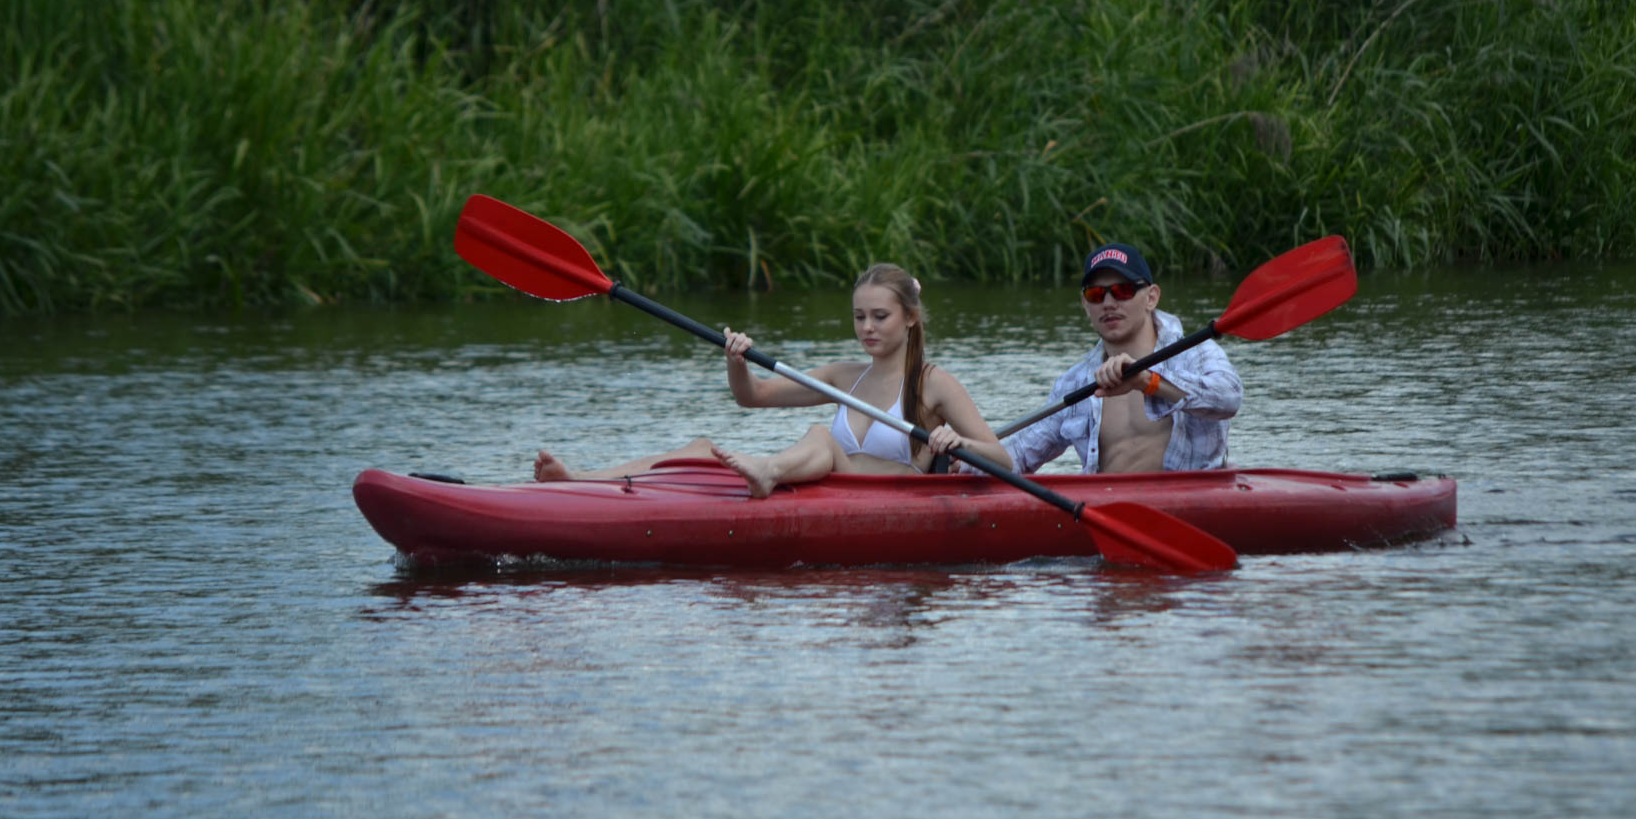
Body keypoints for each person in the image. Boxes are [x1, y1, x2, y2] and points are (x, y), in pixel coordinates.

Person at [532, 263, 1012, 497]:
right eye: (859, 316)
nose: (867, 327)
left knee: (823, 437)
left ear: (909, 318)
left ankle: (768, 472)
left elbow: (1003, 460)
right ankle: (580, 481)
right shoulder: (843, 376)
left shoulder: (934, 383)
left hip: (888, 495)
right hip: (832, 491)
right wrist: (736, 360)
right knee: (702, 445)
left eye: (880, 316)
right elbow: (752, 398)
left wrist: (957, 442)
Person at [1001, 242, 1242, 474]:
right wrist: (966, 457)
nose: (1108, 304)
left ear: (1151, 297)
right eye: (1096, 294)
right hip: (1106, 507)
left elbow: (1229, 399)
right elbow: (1020, 454)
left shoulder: (1196, 352)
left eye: (1122, 291)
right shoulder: (1074, 382)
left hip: (1188, 503)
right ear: (1085, 304)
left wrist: (1147, 381)